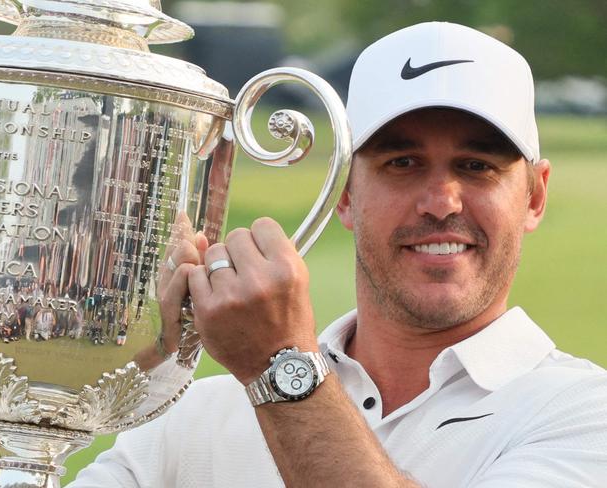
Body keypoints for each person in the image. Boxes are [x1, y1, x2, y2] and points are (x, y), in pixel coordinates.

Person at [72, 21, 607, 487]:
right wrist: (55, 396)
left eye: (476, 166)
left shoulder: (583, 416)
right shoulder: (201, 415)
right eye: (402, 162)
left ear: (534, 196)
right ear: (345, 194)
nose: (441, 203)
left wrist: (277, 364)